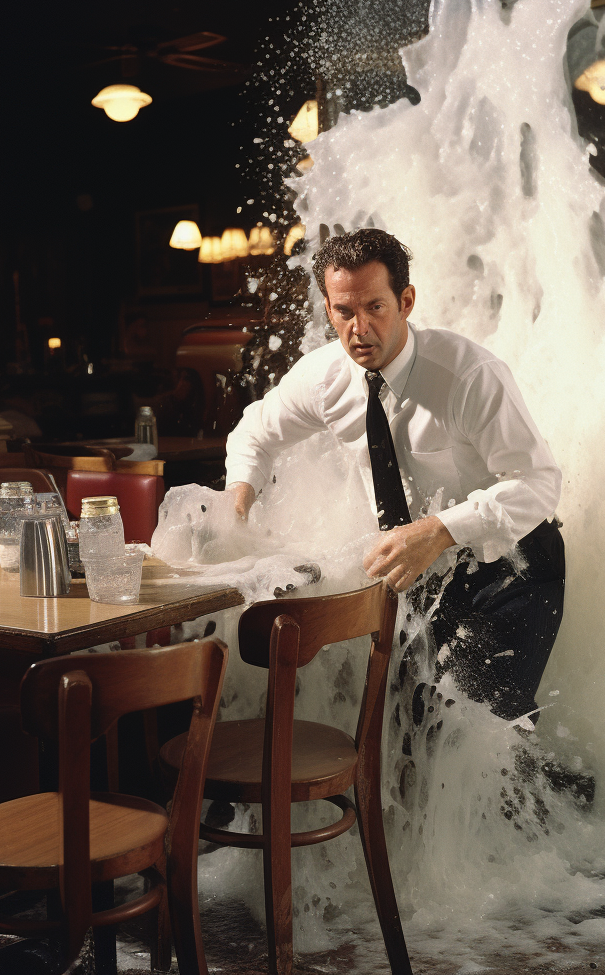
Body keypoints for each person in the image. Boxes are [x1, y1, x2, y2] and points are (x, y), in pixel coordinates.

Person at [223, 228, 566, 726]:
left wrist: (440, 529)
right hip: (426, 569)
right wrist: (239, 499)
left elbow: (538, 483)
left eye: (374, 308)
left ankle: (556, 797)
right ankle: (562, 790)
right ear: (328, 310)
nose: (359, 328)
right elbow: (253, 431)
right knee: (414, 728)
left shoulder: (470, 376)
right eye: (343, 312)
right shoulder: (324, 380)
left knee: (481, 735)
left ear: (405, 301)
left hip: (512, 563)